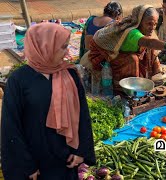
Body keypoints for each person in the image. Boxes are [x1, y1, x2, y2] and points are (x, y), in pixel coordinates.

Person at [1, 23, 96, 180]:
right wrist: (26, 165)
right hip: (35, 163)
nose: (66, 53)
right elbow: (11, 126)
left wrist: (81, 151)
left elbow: (83, 115)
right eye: (62, 47)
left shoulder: (69, 74)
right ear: (44, 46)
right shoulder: (19, 80)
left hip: (66, 160)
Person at [88, 4, 166, 94]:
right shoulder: (132, 33)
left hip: (124, 52)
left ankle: (155, 74)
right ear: (139, 22)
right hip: (107, 56)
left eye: (155, 24)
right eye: (149, 23)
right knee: (133, 59)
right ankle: (125, 89)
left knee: (150, 50)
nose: (152, 27)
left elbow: (152, 45)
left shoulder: (145, 31)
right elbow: (148, 42)